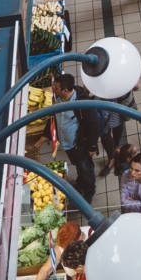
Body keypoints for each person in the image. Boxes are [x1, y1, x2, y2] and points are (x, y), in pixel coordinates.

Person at [53, 74, 99, 203]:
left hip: (80, 146)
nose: (53, 90)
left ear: (65, 91)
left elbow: (94, 124)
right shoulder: (59, 99)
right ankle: (81, 180)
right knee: (78, 164)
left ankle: (89, 191)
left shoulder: (82, 104)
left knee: (86, 167)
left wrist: (92, 146)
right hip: (68, 145)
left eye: (56, 88)